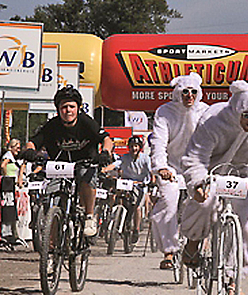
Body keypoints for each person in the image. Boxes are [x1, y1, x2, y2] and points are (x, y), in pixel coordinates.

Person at [180, 80, 248, 295]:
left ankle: (233, 277)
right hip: (210, 167)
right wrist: (196, 183)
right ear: (238, 110)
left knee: (242, 218)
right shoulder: (213, 120)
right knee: (205, 203)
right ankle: (193, 241)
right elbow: (196, 157)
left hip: (241, 173)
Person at [23, 85, 114, 237]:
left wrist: (105, 153)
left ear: (78, 108)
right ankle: (51, 244)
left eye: (72, 106)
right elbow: (33, 142)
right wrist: (30, 151)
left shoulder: (86, 122)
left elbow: (106, 139)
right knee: (52, 198)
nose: (68, 110)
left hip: (84, 162)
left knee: (86, 178)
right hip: (60, 166)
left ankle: (89, 216)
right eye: (64, 107)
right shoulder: (52, 125)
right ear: (58, 109)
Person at [149, 72, 209, 270]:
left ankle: (198, 242)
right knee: (168, 199)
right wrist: (161, 167)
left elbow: (215, 140)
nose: (189, 96)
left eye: (193, 92)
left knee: (206, 200)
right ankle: (169, 250)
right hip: (172, 169)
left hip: (198, 167)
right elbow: (158, 142)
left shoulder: (206, 111)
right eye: (185, 92)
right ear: (177, 93)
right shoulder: (164, 112)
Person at [103, 135, 153, 244]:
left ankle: (136, 229)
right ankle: (116, 219)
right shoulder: (124, 157)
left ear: (139, 147)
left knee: (137, 208)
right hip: (126, 184)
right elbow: (115, 164)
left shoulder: (145, 158)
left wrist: (152, 180)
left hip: (140, 185)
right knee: (118, 197)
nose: (133, 149)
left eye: (136, 146)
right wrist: (105, 169)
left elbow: (150, 170)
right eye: (131, 146)